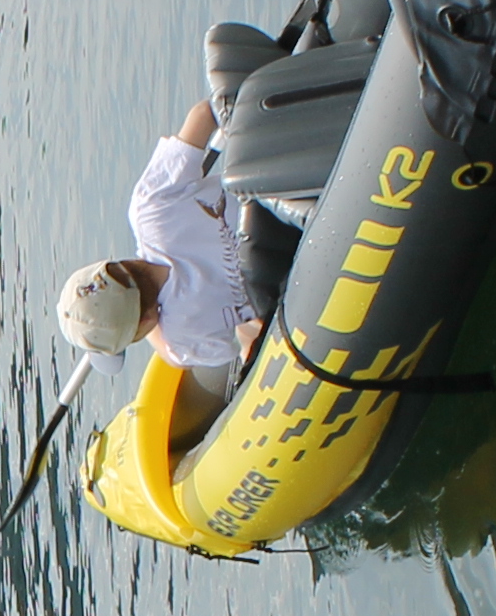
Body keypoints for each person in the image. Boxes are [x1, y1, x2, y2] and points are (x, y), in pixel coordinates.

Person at [50, 94, 308, 450]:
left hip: (304, 270)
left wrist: (144, 327)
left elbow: (249, 341)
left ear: (143, 328)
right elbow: (206, 112)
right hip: (297, 184)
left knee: (249, 332)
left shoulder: (183, 340)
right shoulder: (149, 206)